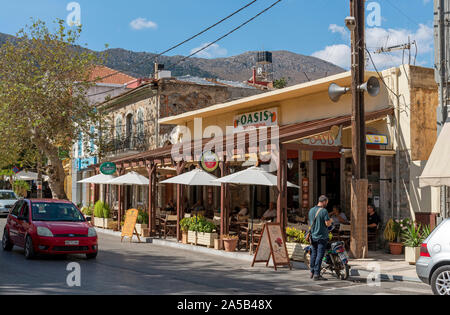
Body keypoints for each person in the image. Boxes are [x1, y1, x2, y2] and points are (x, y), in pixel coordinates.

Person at [308, 195, 333, 281]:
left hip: (313, 236)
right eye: (327, 202)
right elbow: (327, 224)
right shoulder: (324, 211)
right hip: (322, 236)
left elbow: (310, 222)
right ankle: (316, 274)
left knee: (313, 254)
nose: (327, 204)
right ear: (324, 201)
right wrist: (331, 221)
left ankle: (311, 271)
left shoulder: (311, 210)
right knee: (319, 255)